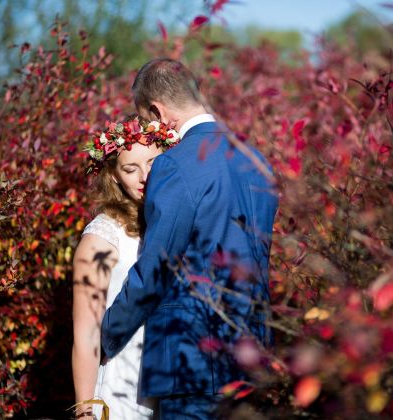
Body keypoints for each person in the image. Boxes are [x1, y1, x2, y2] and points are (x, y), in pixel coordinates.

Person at [101, 58, 278, 419]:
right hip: (251, 355)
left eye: (150, 123)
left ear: (157, 110)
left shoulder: (176, 165)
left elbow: (157, 268)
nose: (154, 135)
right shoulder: (257, 160)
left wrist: (105, 334)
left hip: (192, 358)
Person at [72, 117, 179, 419]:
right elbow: (86, 333)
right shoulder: (100, 240)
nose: (145, 176)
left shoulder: (171, 225)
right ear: (115, 177)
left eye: (153, 163)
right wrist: (84, 410)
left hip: (171, 384)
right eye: (131, 169)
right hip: (121, 390)